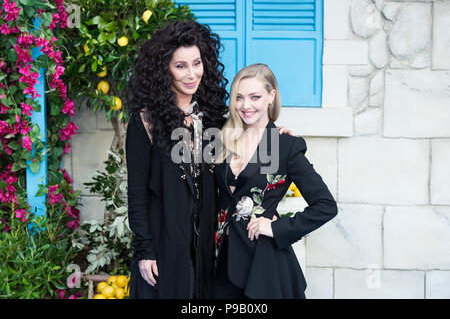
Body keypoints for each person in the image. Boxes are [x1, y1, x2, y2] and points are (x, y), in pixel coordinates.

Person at [212, 63, 338, 299]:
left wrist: (276, 227)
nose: (245, 105)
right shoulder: (224, 137)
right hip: (219, 263)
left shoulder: (285, 146)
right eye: (239, 98)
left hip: (262, 266)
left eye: (255, 97)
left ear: (272, 96)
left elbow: (326, 206)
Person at [124, 20, 229, 299]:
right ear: (164, 71)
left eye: (197, 63)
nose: (191, 74)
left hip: (204, 240)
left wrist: (277, 138)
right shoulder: (145, 121)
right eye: (180, 66)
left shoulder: (212, 116)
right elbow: (136, 192)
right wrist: (145, 250)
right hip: (164, 239)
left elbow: (247, 149)